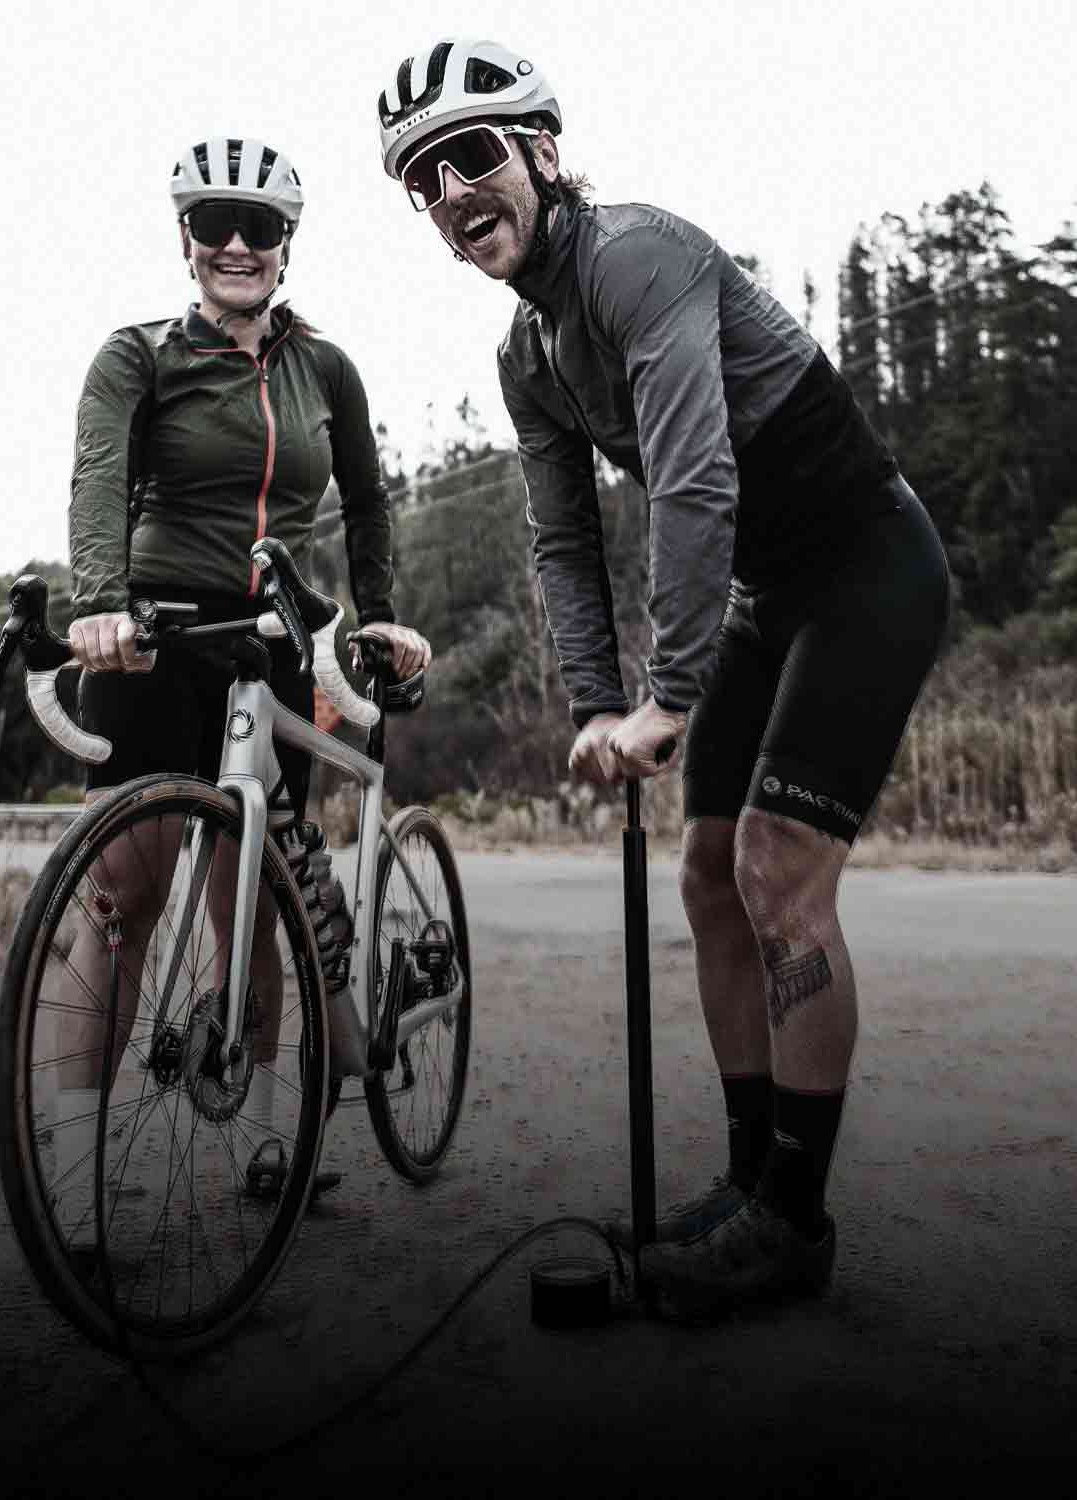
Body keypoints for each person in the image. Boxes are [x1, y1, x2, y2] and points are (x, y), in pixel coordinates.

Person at [376, 41, 949, 1312]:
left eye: (474, 153)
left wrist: (669, 694)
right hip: (765, 594)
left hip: (866, 563)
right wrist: (594, 703)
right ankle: (751, 1187)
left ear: (543, 150)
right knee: (704, 874)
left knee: (779, 871)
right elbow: (563, 540)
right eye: (423, 178)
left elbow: (696, 480)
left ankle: (793, 1221)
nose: (454, 190)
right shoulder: (528, 359)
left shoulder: (637, 256)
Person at [57, 135, 430, 1224]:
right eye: (214, 222)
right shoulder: (138, 357)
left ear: (284, 246)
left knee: (249, 902)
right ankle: (78, 1171)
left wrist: (379, 614)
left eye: (257, 226)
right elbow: (99, 478)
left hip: (267, 648)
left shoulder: (326, 371)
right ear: (184, 239)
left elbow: (368, 501)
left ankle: (276, 1134)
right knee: (121, 896)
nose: (235, 242)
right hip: (152, 638)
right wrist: (97, 601)